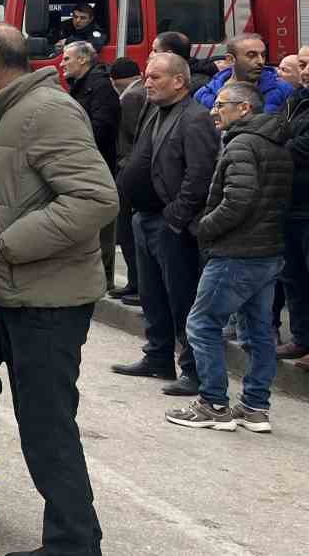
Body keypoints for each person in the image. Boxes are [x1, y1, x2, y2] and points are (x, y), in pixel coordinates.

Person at [0, 23, 117, 556]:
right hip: (24, 295)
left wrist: (7, 245)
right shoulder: (16, 109)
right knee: (42, 422)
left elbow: (95, 198)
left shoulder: (45, 111)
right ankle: (72, 539)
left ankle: (74, 544)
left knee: (49, 426)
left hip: (47, 300)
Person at [165, 83, 290, 433]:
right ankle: (254, 408)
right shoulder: (274, 145)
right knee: (258, 331)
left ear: (245, 109)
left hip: (237, 252)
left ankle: (213, 404)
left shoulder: (242, 145)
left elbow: (238, 200)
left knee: (202, 324)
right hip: (268, 252)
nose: (214, 111)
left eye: (222, 105)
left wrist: (203, 228)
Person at [112, 53, 219, 398]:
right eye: (146, 76)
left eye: (155, 77)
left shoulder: (195, 118)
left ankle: (193, 369)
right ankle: (158, 356)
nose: (147, 82)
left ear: (179, 81)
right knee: (151, 293)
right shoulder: (155, 110)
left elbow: (200, 174)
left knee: (181, 296)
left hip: (171, 222)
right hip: (144, 217)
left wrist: (176, 216)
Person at [62, 41, 121, 289]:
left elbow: (102, 128)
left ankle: (102, 277)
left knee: (101, 227)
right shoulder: (79, 87)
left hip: (98, 166)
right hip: (80, 166)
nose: (61, 63)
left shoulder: (99, 88)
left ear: (83, 60)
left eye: (67, 58)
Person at [108, 57, 145, 303]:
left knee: (128, 231)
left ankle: (136, 284)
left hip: (128, 168)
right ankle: (135, 283)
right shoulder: (139, 93)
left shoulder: (132, 97)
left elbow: (133, 135)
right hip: (130, 167)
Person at [278, 78, 309, 365]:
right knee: (293, 276)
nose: (306, 71)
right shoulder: (295, 101)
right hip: (290, 205)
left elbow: (299, 147)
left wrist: (284, 144)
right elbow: (278, 135)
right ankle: (301, 339)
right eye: (303, 65)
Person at [193, 33, 292, 113]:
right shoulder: (204, 95)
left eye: (263, 55)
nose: (260, 61)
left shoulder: (283, 90)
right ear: (230, 59)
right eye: (251, 55)